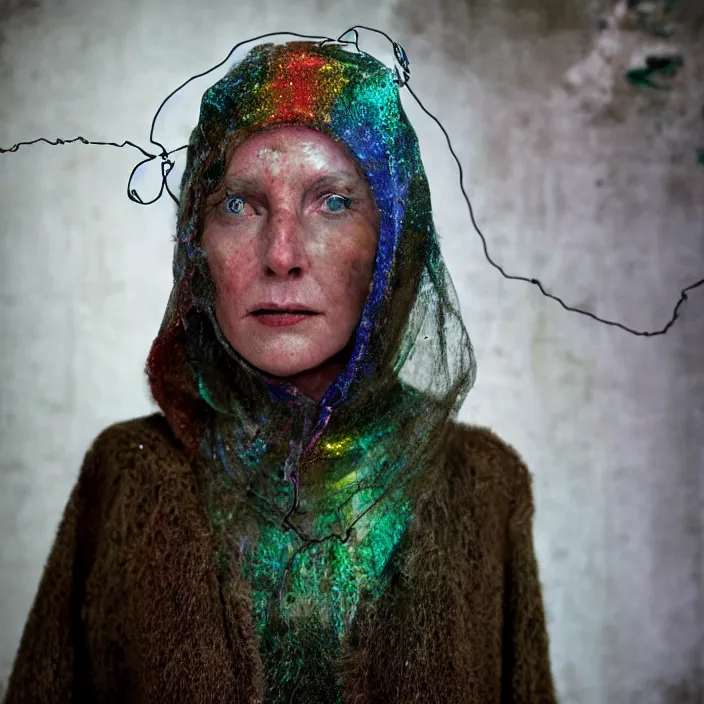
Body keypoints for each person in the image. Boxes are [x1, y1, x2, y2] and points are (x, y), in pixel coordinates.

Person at [3, 40, 557, 704]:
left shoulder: (482, 484)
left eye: (333, 202)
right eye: (240, 205)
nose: (283, 254)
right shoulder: (127, 471)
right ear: (196, 241)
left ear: (392, 239)